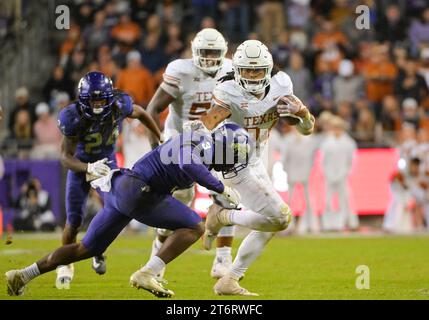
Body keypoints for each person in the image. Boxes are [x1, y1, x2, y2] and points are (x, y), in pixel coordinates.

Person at [5, 123, 249, 298]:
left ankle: (23, 274)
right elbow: (187, 162)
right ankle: (147, 272)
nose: (234, 161)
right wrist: (220, 188)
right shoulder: (204, 144)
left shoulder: (200, 140)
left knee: (87, 248)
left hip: (123, 189)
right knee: (194, 226)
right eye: (235, 154)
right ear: (226, 145)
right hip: (138, 190)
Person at [199, 40, 315, 295]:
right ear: (238, 70)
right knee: (281, 217)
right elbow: (206, 126)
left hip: (257, 158)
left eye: (258, 70)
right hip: (232, 161)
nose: (253, 75)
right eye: (248, 70)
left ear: (268, 69)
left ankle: (229, 279)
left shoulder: (281, 86)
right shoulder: (227, 90)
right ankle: (223, 216)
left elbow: (307, 130)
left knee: (273, 222)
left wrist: (303, 113)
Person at [55, 71, 161, 290]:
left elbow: (141, 113)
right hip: (80, 167)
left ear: (109, 97)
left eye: (101, 99)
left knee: (111, 214)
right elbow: (65, 157)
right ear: (83, 99)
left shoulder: (120, 104)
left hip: (108, 166)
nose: (97, 105)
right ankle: (65, 264)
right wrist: (87, 167)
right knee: (74, 221)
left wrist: (157, 139)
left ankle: (97, 250)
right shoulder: (73, 117)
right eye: (92, 99)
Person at [146, 28, 235, 281]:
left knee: (227, 193)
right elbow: (153, 109)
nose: (208, 57)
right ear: (194, 51)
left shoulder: (231, 69)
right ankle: (158, 254)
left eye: (213, 53)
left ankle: (223, 259)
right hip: (181, 141)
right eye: (204, 52)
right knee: (179, 200)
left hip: (215, 140)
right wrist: (158, 149)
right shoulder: (180, 70)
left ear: (223, 52)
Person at [320, 116, 358, 231]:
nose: (336, 130)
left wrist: (346, 173)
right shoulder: (327, 142)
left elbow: (352, 160)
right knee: (328, 201)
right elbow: (322, 160)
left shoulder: (349, 142)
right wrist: (326, 173)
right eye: (335, 127)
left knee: (345, 200)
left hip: (343, 175)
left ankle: (347, 223)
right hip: (329, 175)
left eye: (338, 127)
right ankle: (328, 225)